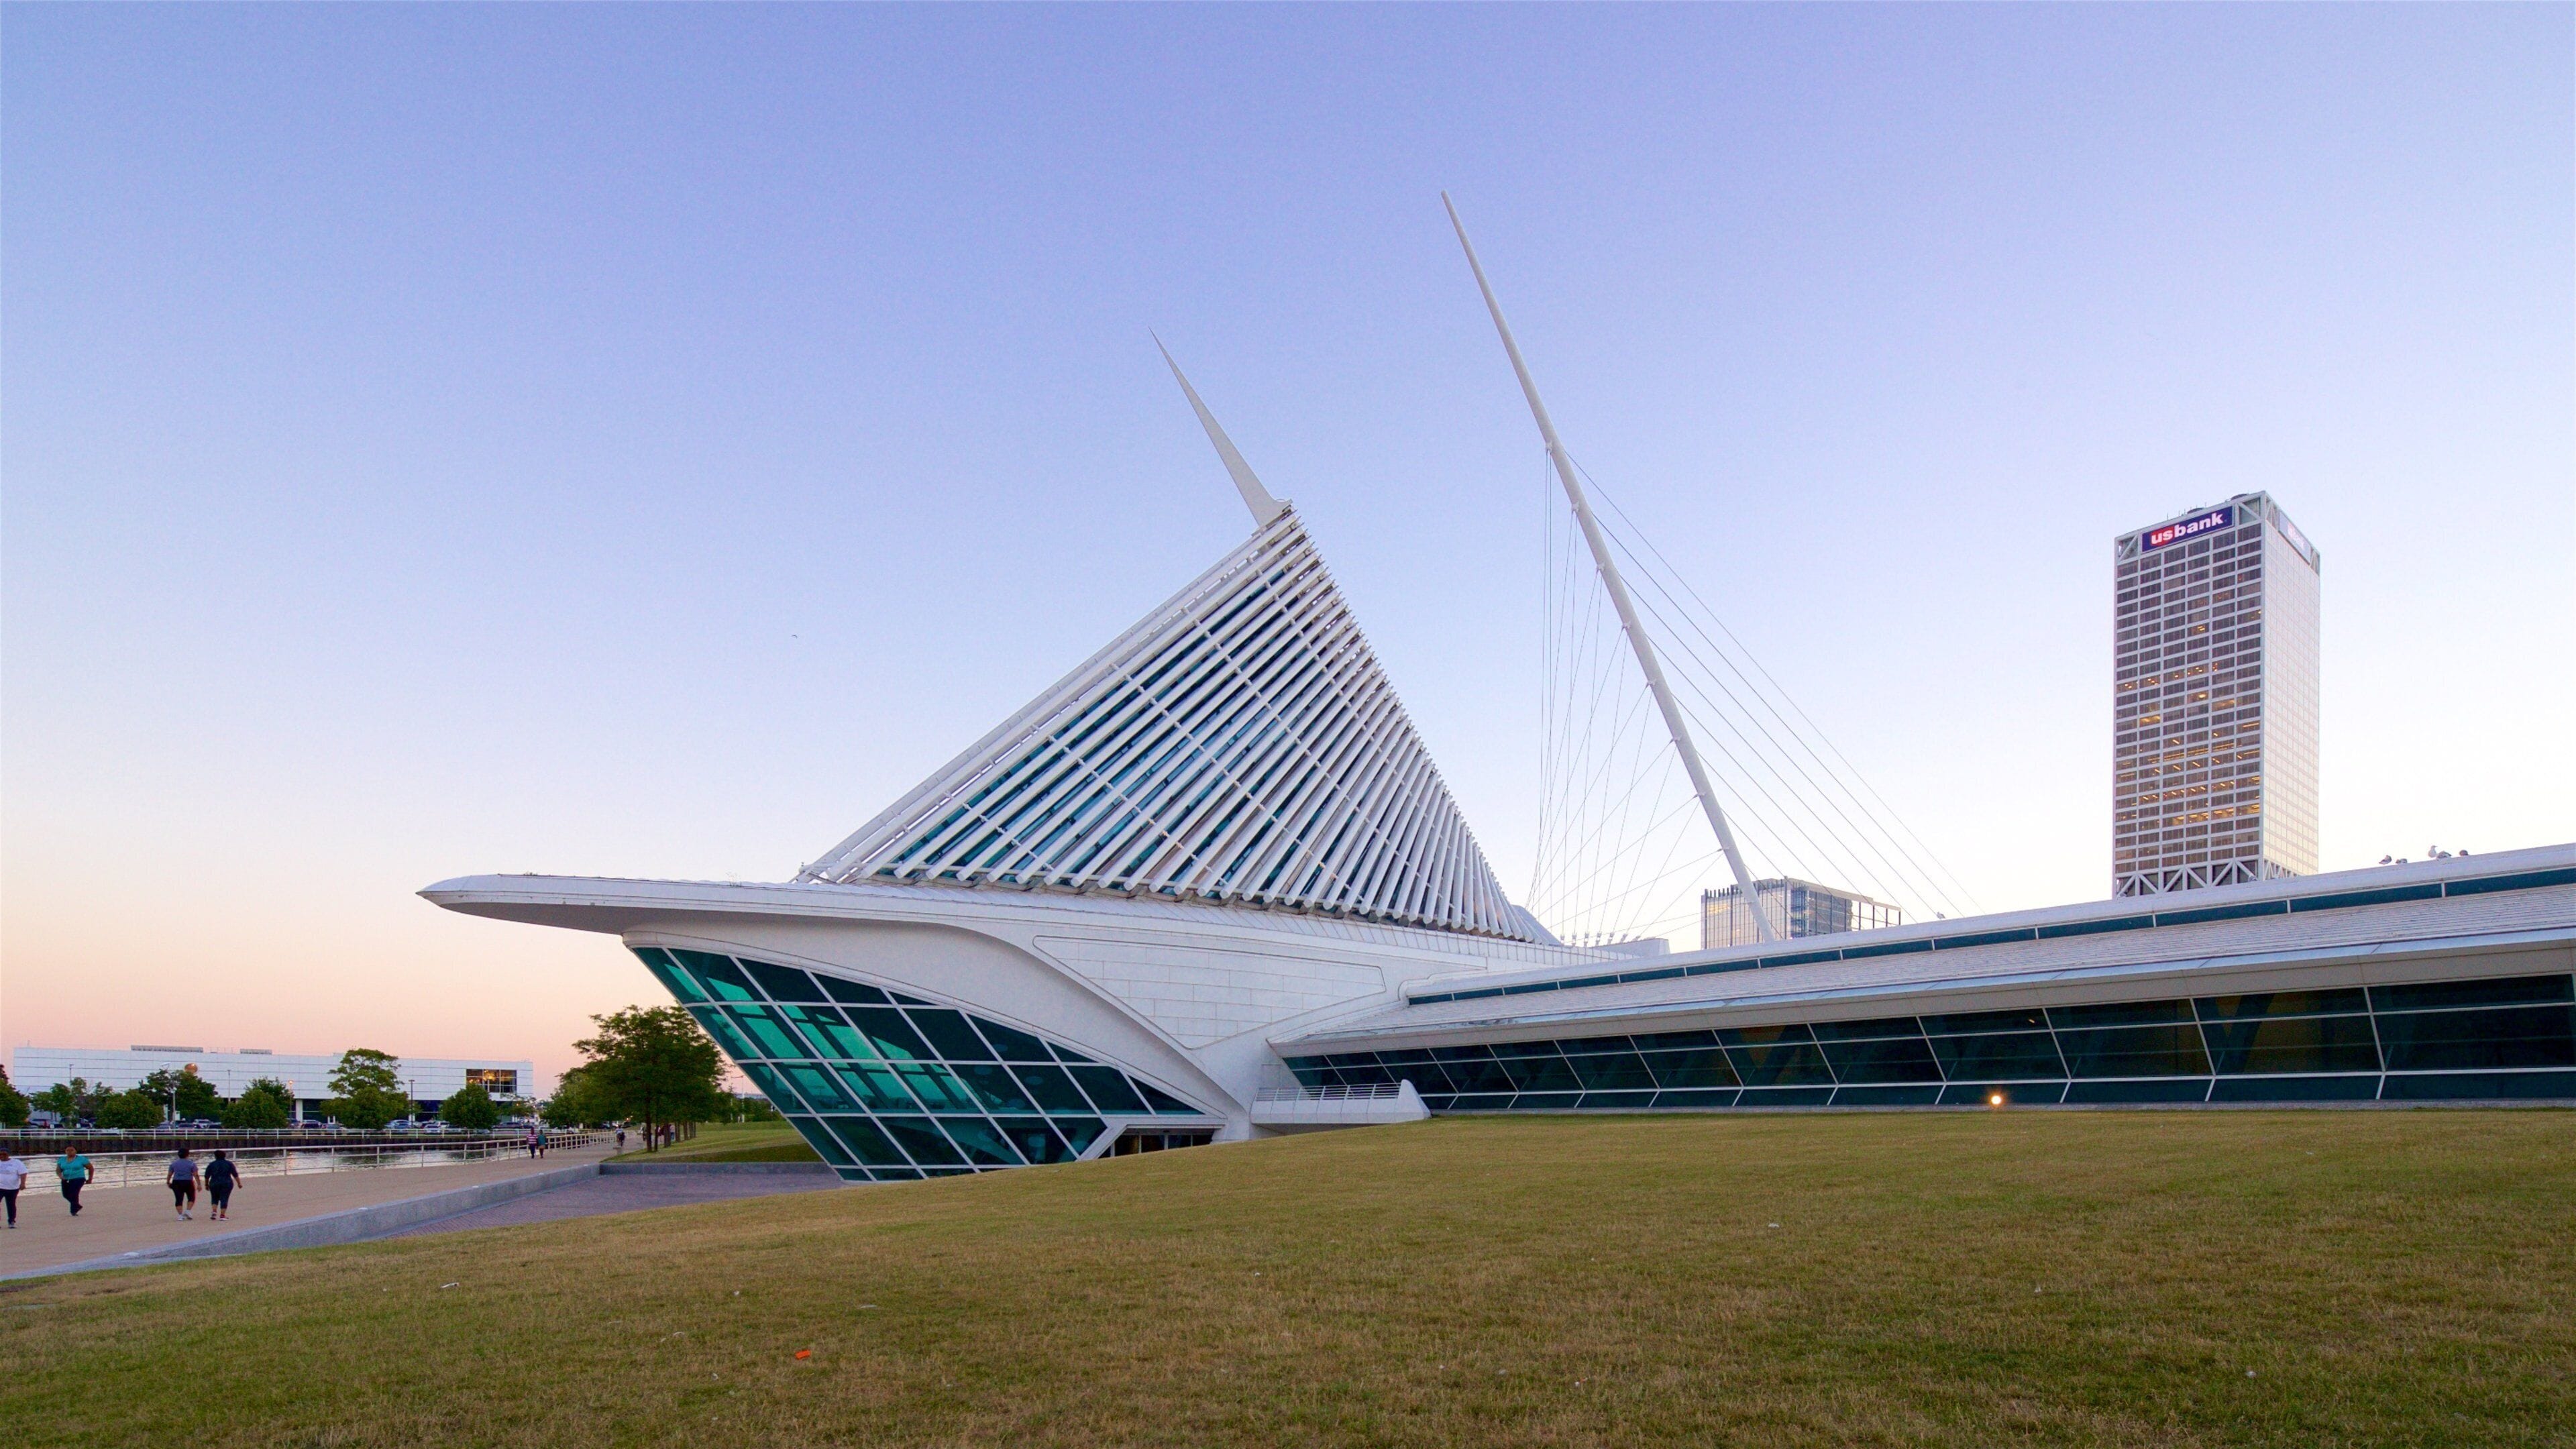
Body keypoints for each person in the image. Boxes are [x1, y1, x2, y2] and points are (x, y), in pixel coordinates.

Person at [204, 1149, 243, 1222]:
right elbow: (235, 1174)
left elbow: (207, 1176)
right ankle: (222, 1215)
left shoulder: (211, 1164)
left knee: (214, 1198)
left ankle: (214, 1211)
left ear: (215, 1156)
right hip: (226, 1183)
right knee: (224, 1198)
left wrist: (206, 1184)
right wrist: (239, 1183)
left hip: (214, 1183)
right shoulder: (229, 1164)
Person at [166, 1146, 199, 1220]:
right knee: (191, 1197)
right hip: (188, 1182)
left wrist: (168, 1181)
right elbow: (195, 1174)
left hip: (177, 1182)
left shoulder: (174, 1164)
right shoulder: (192, 1164)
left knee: (179, 1199)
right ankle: (188, 1211)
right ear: (188, 1155)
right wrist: (199, 1184)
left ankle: (180, 1215)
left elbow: (170, 1174)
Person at [57, 1148, 92, 1216]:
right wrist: (61, 1176)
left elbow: (91, 1168)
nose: (70, 1152)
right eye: (68, 1150)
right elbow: (58, 1170)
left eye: (72, 1150)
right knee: (65, 1194)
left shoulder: (81, 1159)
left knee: (74, 1193)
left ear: (76, 1151)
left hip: (79, 1178)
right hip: (66, 1179)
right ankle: (77, 1205)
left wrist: (90, 1179)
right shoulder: (62, 1160)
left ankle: (73, 1211)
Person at [0, 1150, 24, 1229]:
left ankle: (11, 1221)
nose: (2, 1156)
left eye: (4, 1154)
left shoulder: (16, 1162)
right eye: (0, 1154)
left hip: (12, 1188)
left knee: (11, 1205)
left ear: (8, 1155)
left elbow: (23, 1173)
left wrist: (23, 1183)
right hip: (0, 1187)